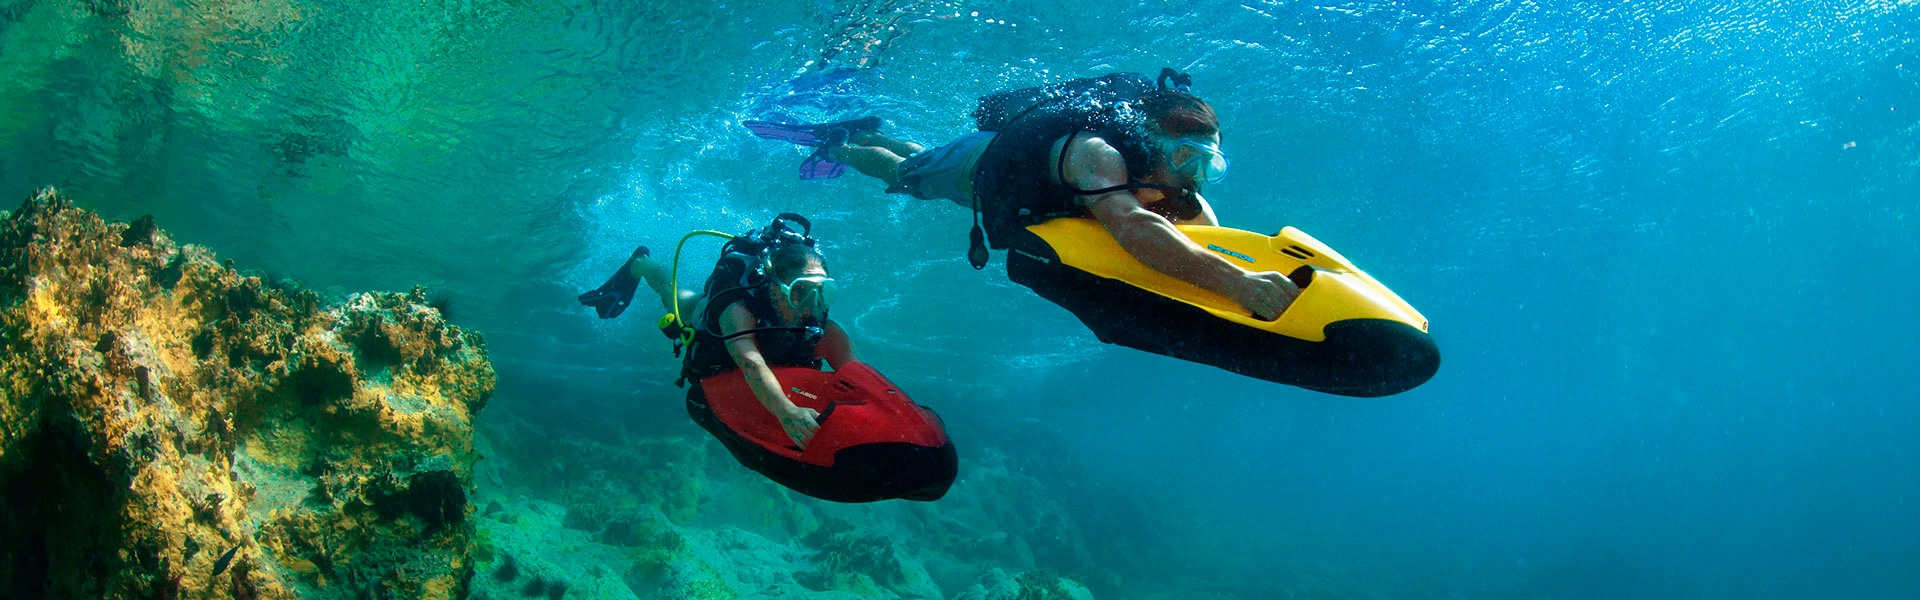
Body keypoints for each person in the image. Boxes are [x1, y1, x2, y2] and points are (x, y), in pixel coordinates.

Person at [745, 69, 1301, 321]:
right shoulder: (1099, 156)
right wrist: (1238, 283)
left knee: (922, 157)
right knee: (908, 178)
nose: (1195, 175)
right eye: (1186, 159)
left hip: (985, 158)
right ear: (1151, 142)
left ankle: (869, 129)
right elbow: (1134, 227)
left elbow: (1196, 215)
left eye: (1210, 163)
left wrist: (1234, 259)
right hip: (975, 167)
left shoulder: (1159, 169)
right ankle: (844, 143)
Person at [579, 231, 856, 449]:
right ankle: (642, 263)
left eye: (823, 293)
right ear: (775, 288)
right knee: (672, 294)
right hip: (704, 319)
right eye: (801, 293)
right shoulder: (738, 311)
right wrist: (786, 412)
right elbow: (751, 362)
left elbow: (856, 375)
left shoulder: (825, 328)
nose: (813, 305)